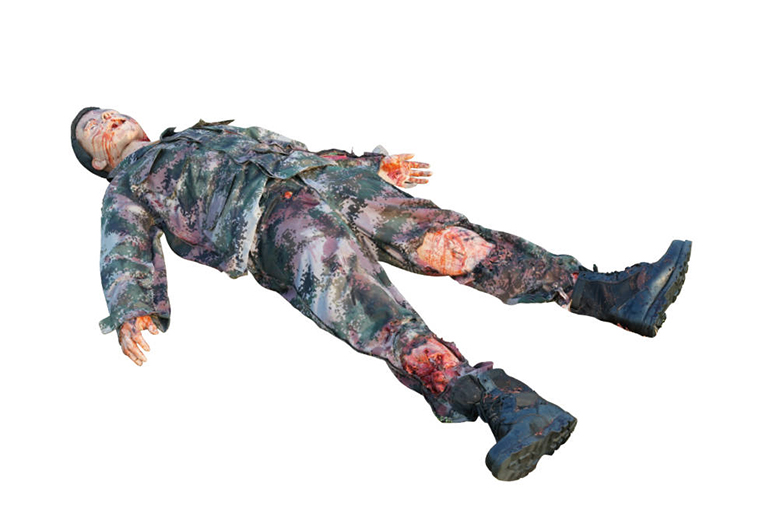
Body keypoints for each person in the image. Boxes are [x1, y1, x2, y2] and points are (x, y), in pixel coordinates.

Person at [71, 107, 692, 481]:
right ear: (98, 161)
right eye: (94, 129)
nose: (109, 121)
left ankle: (610, 294)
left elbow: (295, 150)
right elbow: (123, 250)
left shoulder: (212, 129)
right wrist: (133, 307)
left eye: (110, 112)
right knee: (379, 318)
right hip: (276, 229)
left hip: (336, 183)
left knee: (452, 243)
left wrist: (369, 164)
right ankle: (506, 406)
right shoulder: (127, 187)